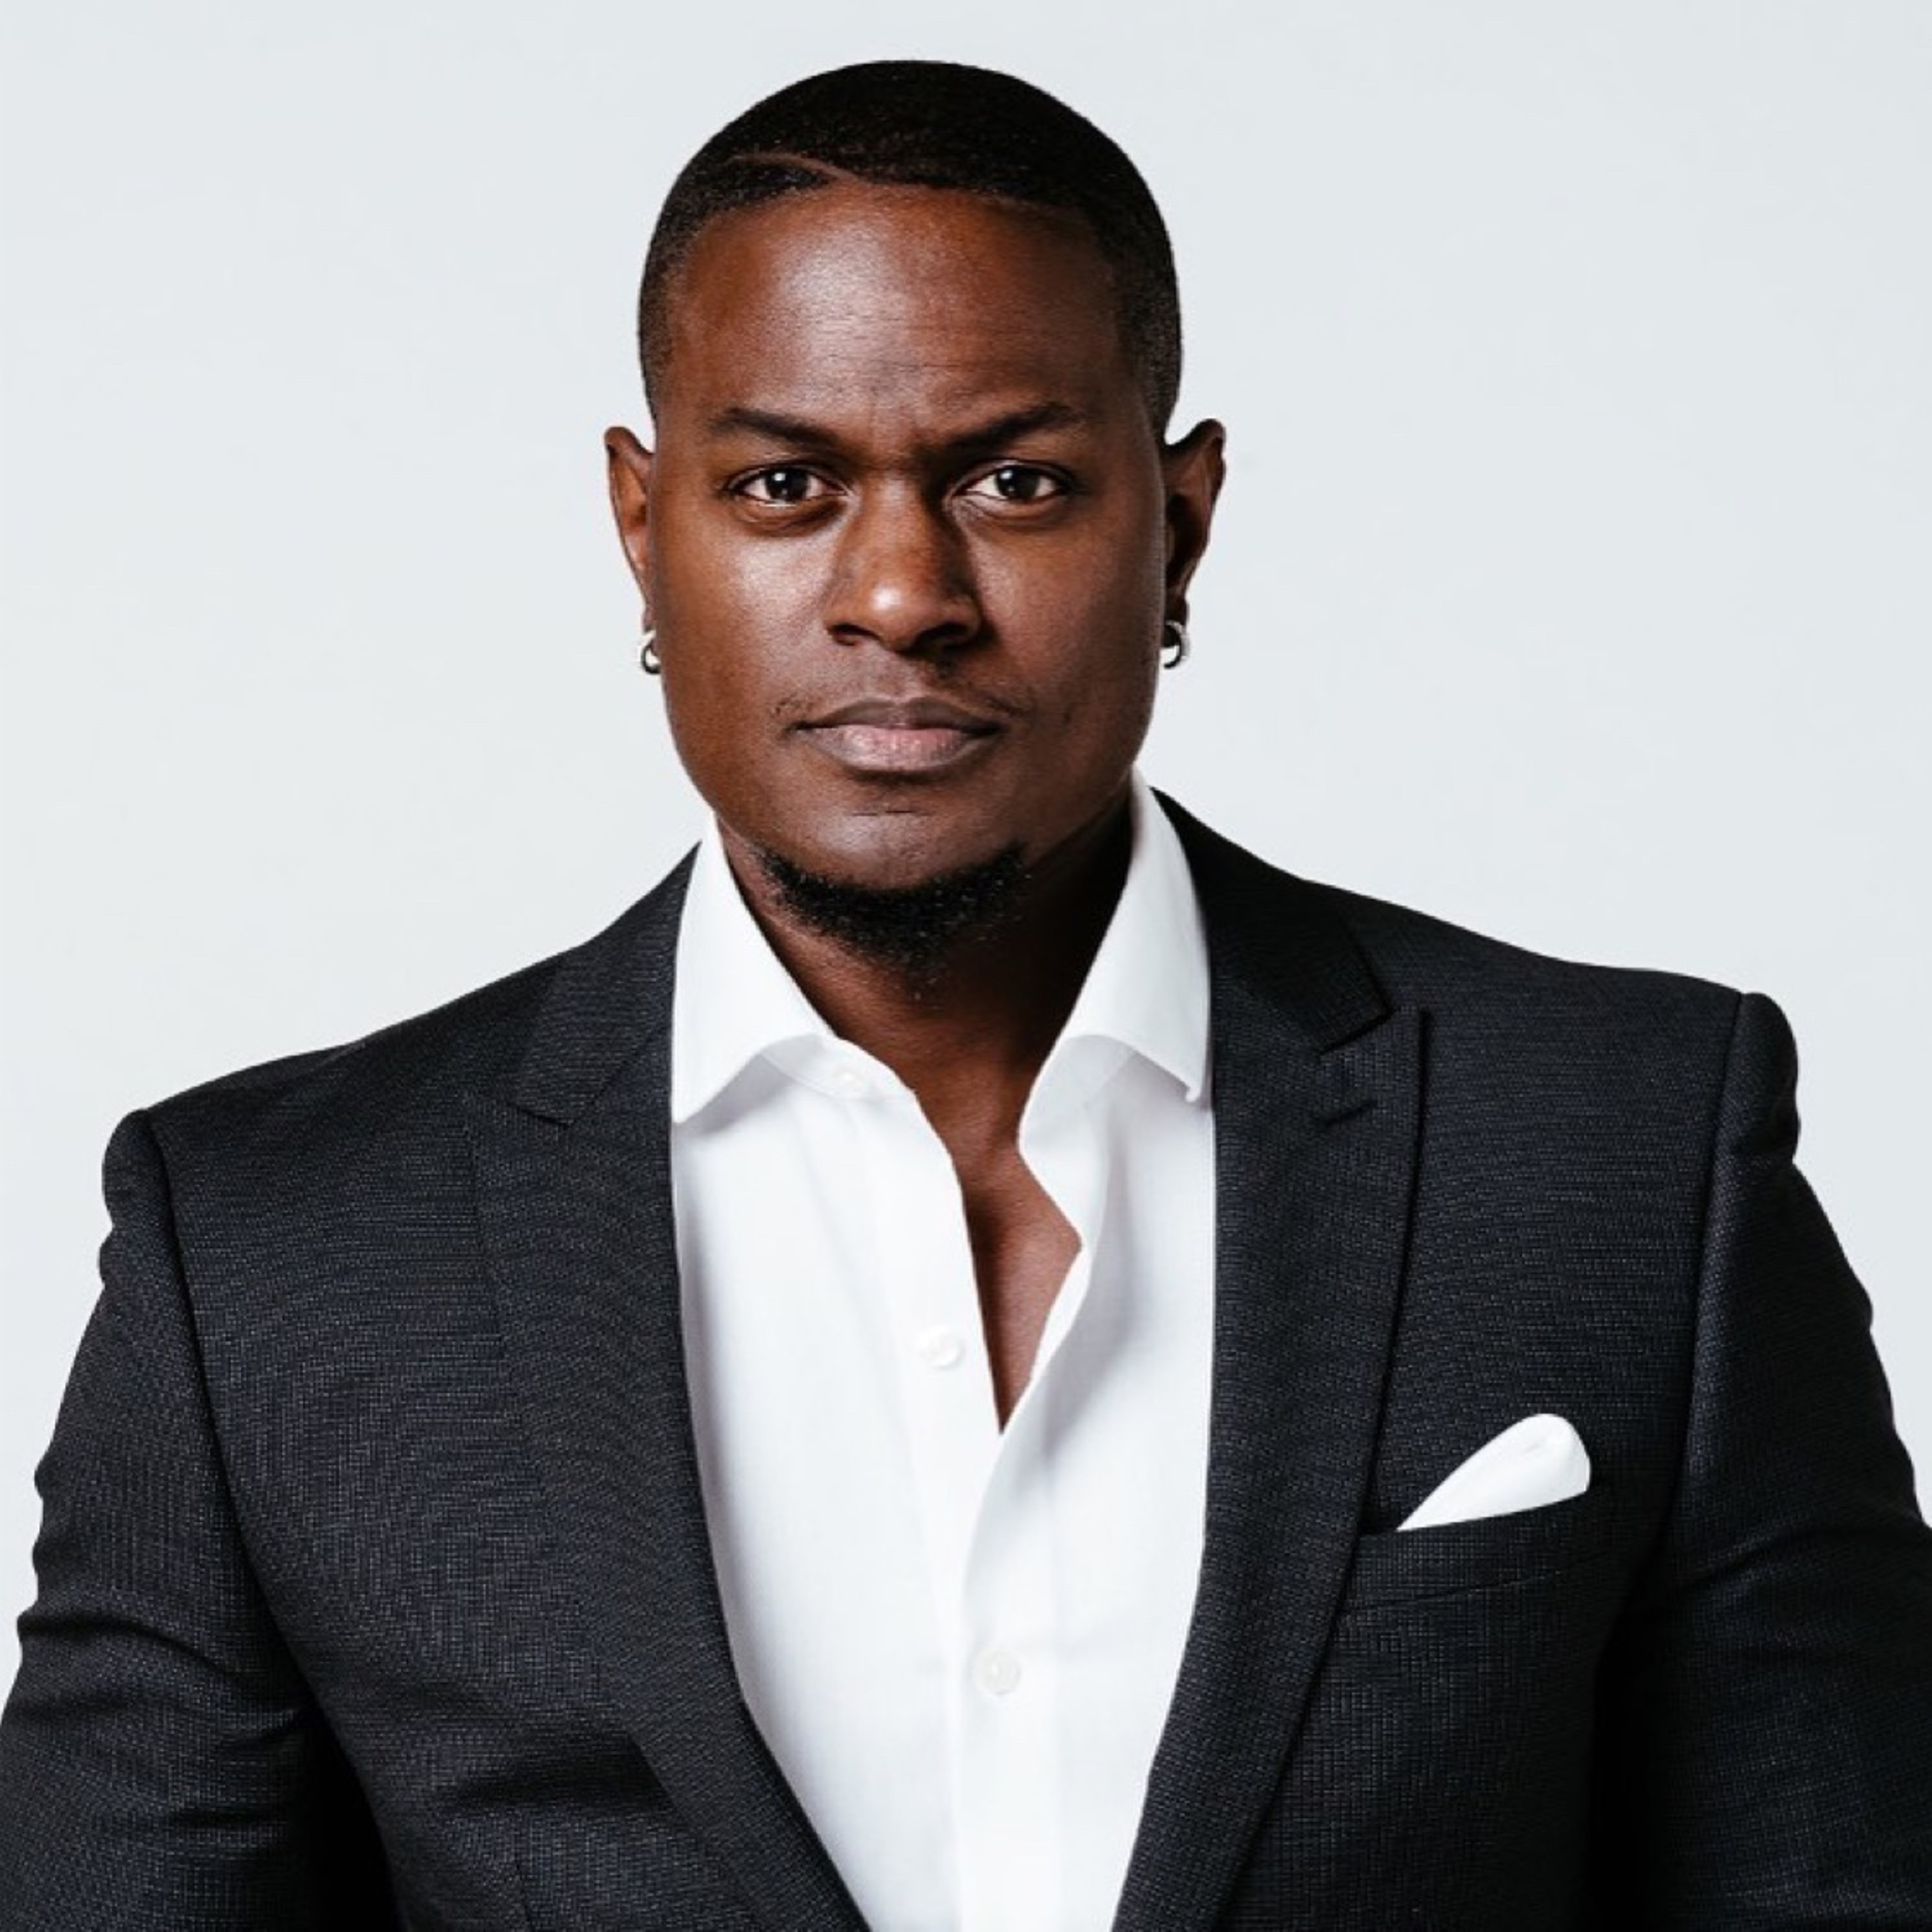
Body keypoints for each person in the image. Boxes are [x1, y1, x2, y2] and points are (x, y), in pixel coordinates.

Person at [2, 55, 1927, 1931]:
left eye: (1016, 480)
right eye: (784, 484)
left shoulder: (1631, 1150)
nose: (902, 593)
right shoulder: (266, 1251)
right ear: (644, 531)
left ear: (1179, 523)